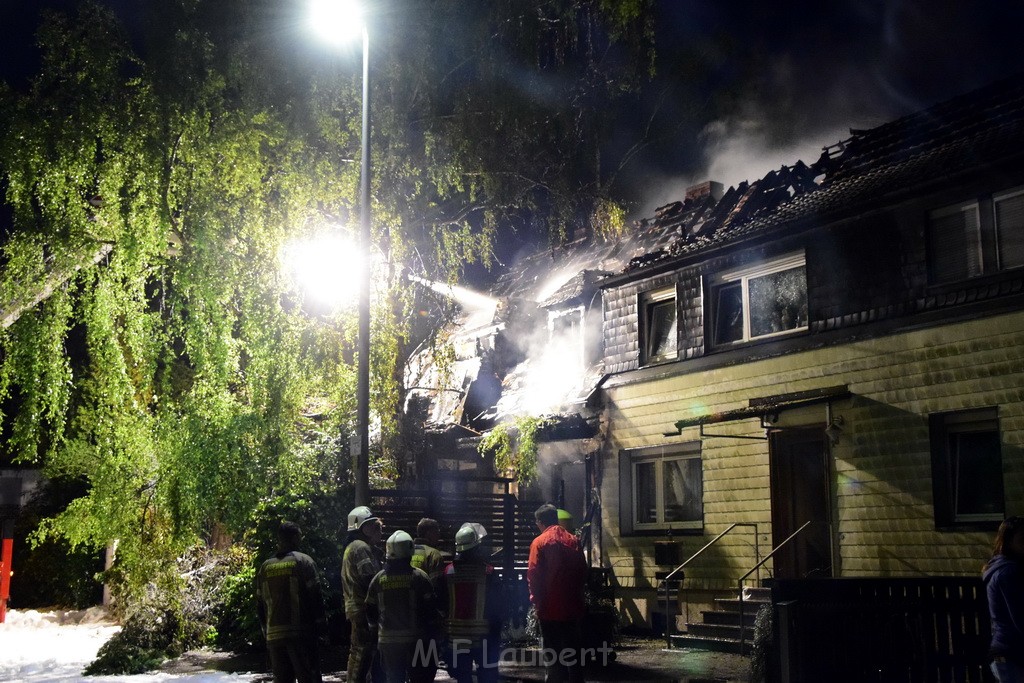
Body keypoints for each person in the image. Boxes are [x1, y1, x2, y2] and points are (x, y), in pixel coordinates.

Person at [255, 521, 326, 683]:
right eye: (299, 536)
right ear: (294, 538)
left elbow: (259, 605)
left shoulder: (265, 568)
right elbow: (316, 597)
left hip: (274, 638)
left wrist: (266, 634)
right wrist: (321, 627)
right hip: (300, 635)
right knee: (309, 678)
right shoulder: (303, 562)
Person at [366, 530, 438, 683]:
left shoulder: (377, 579)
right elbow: (431, 610)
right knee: (419, 678)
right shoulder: (420, 577)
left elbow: (370, 610)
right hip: (415, 641)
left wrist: (376, 633)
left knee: (394, 678)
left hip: (388, 643)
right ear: (410, 550)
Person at [528, 503, 588, 683]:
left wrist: (536, 603)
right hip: (572, 607)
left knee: (553, 656)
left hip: (549, 609)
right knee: (574, 657)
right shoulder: (574, 540)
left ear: (540, 522)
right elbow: (583, 572)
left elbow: (534, 575)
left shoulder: (539, 542)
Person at [440, 523, 504, 683]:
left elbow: (441, 604)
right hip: (484, 637)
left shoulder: (448, 572)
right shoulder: (488, 572)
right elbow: (498, 605)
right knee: (487, 677)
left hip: (456, 638)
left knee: (462, 678)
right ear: (476, 548)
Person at [342, 505, 385, 683]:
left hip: (357, 607)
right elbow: (371, 579)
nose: (379, 531)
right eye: (375, 527)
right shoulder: (360, 548)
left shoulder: (354, 547)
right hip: (363, 608)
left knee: (360, 653)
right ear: (364, 528)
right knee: (362, 654)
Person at [983, 516, 1024, 682]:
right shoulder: (1008, 573)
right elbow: (1019, 617)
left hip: (1006, 652)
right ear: (1008, 541)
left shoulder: (1002, 569)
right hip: (1012, 652)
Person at [411, 518, 446, 681]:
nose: (439, 534)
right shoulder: (433, 554)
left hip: (408, 613)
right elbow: (437, 586)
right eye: (436, 530)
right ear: (428, 533)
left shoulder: (407, 550)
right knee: (429, 658)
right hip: (428, 615)